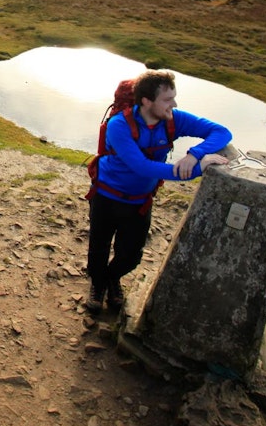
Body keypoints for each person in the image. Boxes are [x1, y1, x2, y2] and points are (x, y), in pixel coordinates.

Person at [86, 70, 232, 313]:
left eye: (174, 98)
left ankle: (112, 278)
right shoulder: (119, 125)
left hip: (139, 201)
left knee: (131, 255)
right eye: (167, 99)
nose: (174, 104)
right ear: (146, 101)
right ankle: (98, 285)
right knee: (98, 247)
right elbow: (141, 167)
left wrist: (195, 154)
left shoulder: (173, 119)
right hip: (106, 196)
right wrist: (199, 168)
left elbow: (221, 132)